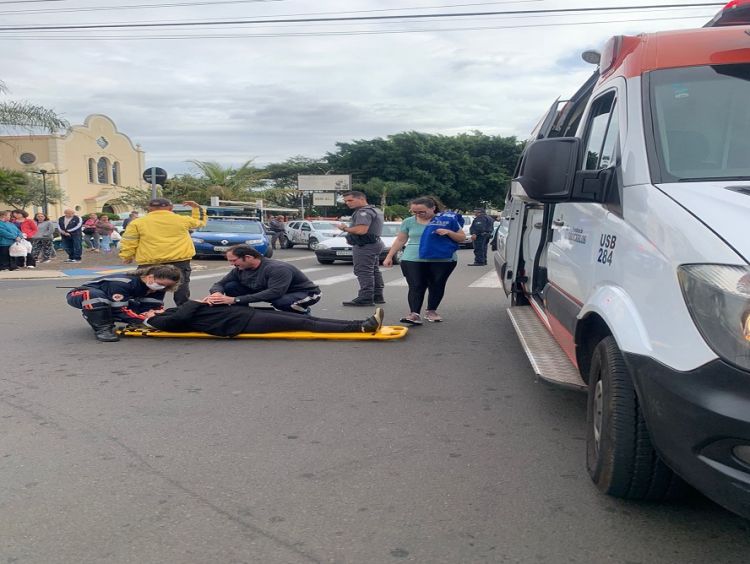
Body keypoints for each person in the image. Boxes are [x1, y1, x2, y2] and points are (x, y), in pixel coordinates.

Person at [383, 196, 465, 325]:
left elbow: (461, 237)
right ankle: (414, 314)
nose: (418, 214)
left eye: (422, 211)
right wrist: (389, 256)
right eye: (414, 212)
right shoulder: (408, 222)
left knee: (437, 284)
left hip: (441, 258)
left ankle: (431, 311)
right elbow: (401, 239)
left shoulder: (446, 220)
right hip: (413, 258)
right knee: (416, 285)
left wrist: (448, 232)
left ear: (433, 208)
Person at [119, 198, 207, 306]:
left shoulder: (137, 222)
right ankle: (183, 310)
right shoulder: (181, 220)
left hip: (150, 261)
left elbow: (129, 241)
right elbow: (200, 222)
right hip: (179, 260)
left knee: (148, 287)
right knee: (180, 286)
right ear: (170, 208)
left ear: (149, 209)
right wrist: (196, 207)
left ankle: (148, 311)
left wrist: (127, 256)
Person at [66, 264, 182, 342]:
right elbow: (119, 309)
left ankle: (105, 317)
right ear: (150, 277)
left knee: (135, 308)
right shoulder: (123, 283)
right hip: (80, 295)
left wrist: (153, 318)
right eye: (161, 284)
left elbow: (153, 307)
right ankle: (103, 329)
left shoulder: (158, 288)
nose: (162, 287)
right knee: (96, 297)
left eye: (166, 286)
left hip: (111, 300)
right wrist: (143, 320)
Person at [143, 300, 384, 337]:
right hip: (241, 324)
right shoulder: (158, 321)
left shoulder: (171, 311)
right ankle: (362, 327)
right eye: (151, 310)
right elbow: (177, 320)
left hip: (245, 313)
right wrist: (152, 317)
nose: (156, 309)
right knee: (303, 323)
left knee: (306, 318)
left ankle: (360, 323)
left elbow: (186, 311)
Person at [205, 244, 321, 314]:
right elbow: (219, 284)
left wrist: (235, 300)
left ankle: (303, 312)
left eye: (234, 260)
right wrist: (216, 294)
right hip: (273, 292)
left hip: (306, 294)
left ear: (248, 257)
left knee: (281, 301)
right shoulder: (240, 269)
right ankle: (242, 314)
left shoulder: (276, 268)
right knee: (231, 286)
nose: (231, 264)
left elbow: (275, 292)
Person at [337, 190, 385, 306]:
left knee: (363, 271)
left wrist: (344, 228)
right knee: (373, 270)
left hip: (365, 245)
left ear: (362, 199)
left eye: (350, 200)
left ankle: (366, 297)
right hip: (374, 243)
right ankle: (377, 295)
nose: (348, 203)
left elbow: (361, 230)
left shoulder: (363, 212)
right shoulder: (375, 210)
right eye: (346, 201)